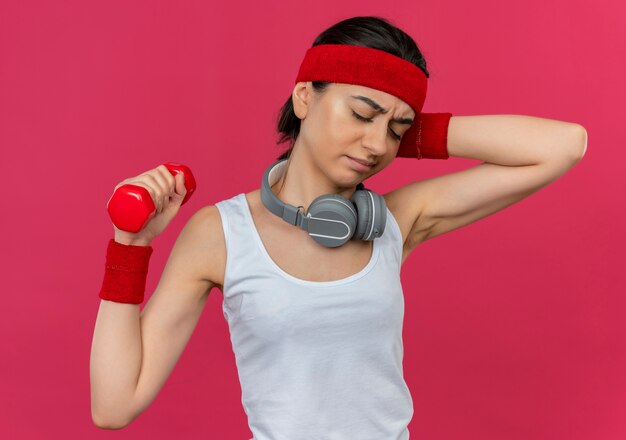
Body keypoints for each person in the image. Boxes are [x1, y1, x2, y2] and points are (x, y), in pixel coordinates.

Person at [90, 15, 587, 438]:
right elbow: (114, 406)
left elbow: (564, 145)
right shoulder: (220, 233)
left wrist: (405, 124)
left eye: (395, 129)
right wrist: (130, 245)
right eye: (361, 113)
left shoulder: (396, 220)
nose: (376, 145)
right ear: (304, 97)